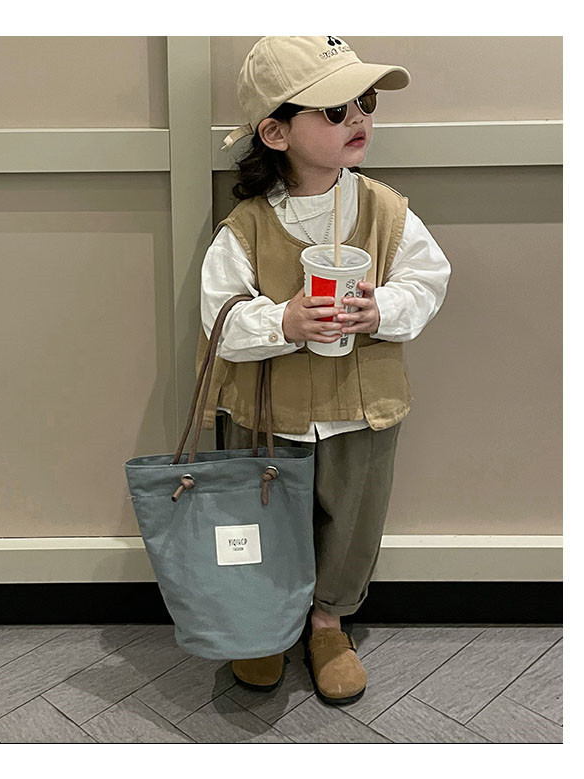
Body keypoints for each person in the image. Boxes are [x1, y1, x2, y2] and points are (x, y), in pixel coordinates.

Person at [196, 36, 451, 705]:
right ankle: (268, 622)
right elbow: (219, 315)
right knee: (267, 518)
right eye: (336, 111)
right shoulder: (248, 226)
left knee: (354, 519)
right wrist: (284, 321)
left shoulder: (386, 211)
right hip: (271, 410)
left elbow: (428, 280)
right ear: (276, 133)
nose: (358, 119)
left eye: (364, 103)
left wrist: (380, 308)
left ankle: (329, 624)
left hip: (362, 406)